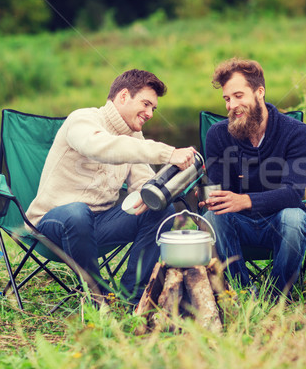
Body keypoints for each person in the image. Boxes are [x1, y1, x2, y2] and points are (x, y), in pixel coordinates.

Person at [26, 69, 196, 304]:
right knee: (77, 212)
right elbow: (101, 147)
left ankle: (132, 300)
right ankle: (99, 298)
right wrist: (168, 153)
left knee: (160, 210)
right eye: (146, 104)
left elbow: (143, 185)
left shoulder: (134, 137)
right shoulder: (83, 119)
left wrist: (176, 184)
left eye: (153, 109)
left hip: (99, 225)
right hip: (54, 226)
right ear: (123, 96)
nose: (149, 113)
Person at [200, 58, 306, 298]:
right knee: (213, 216)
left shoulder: (296, 132)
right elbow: (221, 192)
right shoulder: (218, 135)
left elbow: (293, 193)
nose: (231, 105)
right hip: (238, 225)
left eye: (239, 96)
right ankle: (241, 294)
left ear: (259, 92)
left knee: (295, 218)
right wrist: (210, 198)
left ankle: (278, 295)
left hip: (279, 222)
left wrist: (245, 200)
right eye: (227, 99)